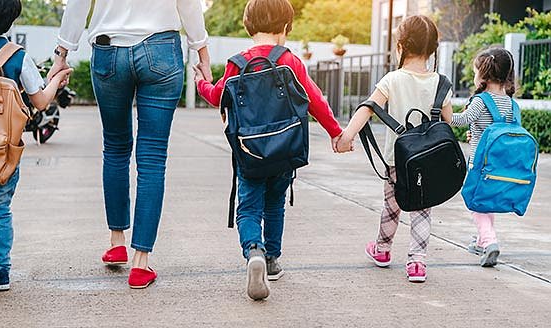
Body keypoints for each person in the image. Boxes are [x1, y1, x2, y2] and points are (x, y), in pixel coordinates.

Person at [49, 0, 212, 289]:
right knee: (152, 157)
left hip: (108, 50)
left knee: (115, 148)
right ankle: (141, 263)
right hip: (161, 50)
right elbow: (188, 4)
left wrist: (61, 54)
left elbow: (77, 4)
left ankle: (116, 242)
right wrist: (202, 52)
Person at [194, 0, 343, 300]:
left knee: (248, 207)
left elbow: (217, 96)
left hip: (249, 153)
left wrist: (201, 82)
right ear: (286, 27)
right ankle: (272, 260)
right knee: (275, 204)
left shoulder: (237, 62)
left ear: (249, 25)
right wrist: (336, 133)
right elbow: (315, 100)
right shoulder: (290, 61)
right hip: (285, 150)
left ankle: (254, 251)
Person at [336, 15, 453, 283]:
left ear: (400, 46)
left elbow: (368, 107)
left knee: (392, 206)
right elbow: (449, 120)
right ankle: (417, 264)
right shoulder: (441, 83)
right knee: (423, 208)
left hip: (397, 160)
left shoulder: (392, 79)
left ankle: (383, 250)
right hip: (430, 161)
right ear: (433, 49)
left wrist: (347, 136)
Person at [0, 0, 72, 291]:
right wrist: (56, 79)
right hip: (1, 152)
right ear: (9, 21)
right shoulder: (16, 56)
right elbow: (41, 102)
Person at [450, 47, 518, 267]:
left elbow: (461, 120)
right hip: (500, 164)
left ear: (483, 74)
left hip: (479, 163)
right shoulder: (510, 103)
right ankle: (481, 241)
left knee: (475, 202)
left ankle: (490, 241)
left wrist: (443, 111)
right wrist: (476, 131)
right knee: (486, 201)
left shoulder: (480, 100)